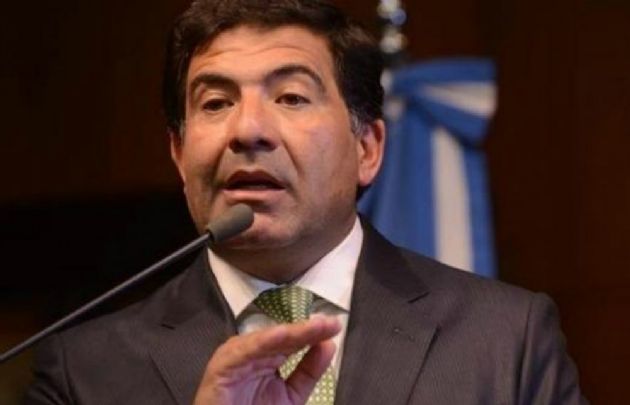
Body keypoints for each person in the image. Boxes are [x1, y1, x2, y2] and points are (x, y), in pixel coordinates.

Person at [25, 0, 588, 404]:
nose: (248, 130)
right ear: (178, 153)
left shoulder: (505, 340)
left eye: (291, 97)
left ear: (367, 148)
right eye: (216, 103)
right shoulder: (82, 372)